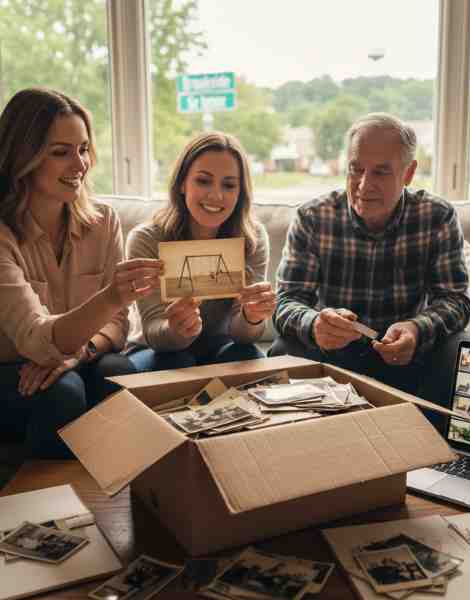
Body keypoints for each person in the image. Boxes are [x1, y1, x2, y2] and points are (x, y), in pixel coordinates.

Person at [271, 113, 470, 424]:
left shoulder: (437, 217)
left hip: (409, 357)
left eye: (380, 172)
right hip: (334, 358)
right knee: (284, 347)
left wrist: (417, 329)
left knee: (456, 349)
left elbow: (456, 302)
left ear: (409, 173)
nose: (364, 185)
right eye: (356, 169)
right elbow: (285, 301)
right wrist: (315, 325)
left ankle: (434, 452)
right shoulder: (313, 217)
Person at [0, 88, 162, 458]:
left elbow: (119, 325)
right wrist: (110, 297)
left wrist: (82, 350)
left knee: (119, 374)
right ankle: (46, 509)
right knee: (64, 391)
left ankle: (125, 495)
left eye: (84, 149)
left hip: (76, 357)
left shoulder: (103, 222)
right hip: (12, 370)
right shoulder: (3, 234)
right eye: (60, 152)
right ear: (22, 158)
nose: (80, 165)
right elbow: (36, 340)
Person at [126, 132, 275, 371]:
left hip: (222, 346)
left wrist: (252, 316)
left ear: (240, 193)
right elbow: (154, 331)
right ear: (182, 183)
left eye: (229, 185)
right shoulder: (147, 239)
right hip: (157, 350)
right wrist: (176, 329)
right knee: (178, 360)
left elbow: (244, 337)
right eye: (203, 181)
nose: (216, 195)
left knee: (249, 357)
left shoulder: (252, 239)